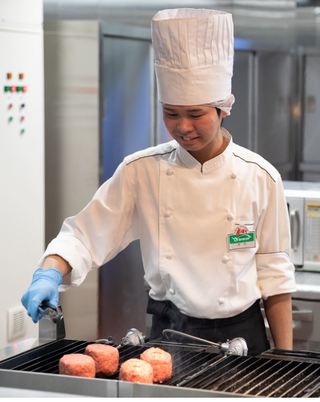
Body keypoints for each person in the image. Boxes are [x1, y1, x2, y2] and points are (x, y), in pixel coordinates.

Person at [21, 8, 296, 355]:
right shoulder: (142, 172)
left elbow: (275, 276)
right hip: (169, 335)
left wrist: (285, 357)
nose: (183, 127)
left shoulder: (260, 177)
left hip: (243, 336)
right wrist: (48, 273)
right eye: (171, 113)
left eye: (195, 114)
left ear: (223, 108)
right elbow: (84, 235)